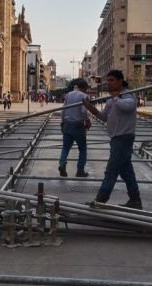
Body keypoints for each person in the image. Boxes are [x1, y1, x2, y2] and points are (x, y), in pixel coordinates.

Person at [83, 70, 143, 210]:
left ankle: (101, 200)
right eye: (108, 81)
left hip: (124, 138)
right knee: (126, 172)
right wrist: (90, 108)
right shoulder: (111, 100)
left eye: (112, 80)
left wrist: (116, 98)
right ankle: (135, 200)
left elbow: (128, 106)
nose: (108, 83)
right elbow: (104, 117)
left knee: (111, 171)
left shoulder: (129, 96)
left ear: (120, 81)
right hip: (116, 138)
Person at [59, 79, 91, 178]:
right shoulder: (84, 96)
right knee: (82, 149)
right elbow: (83, 111)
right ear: (85, 87)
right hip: (78, 125)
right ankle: (80, 171)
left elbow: (63, 109)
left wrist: (62, 122)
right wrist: (87, 121)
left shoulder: (69, 94)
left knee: (65, 147)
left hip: (67, 124)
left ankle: (62, 164)